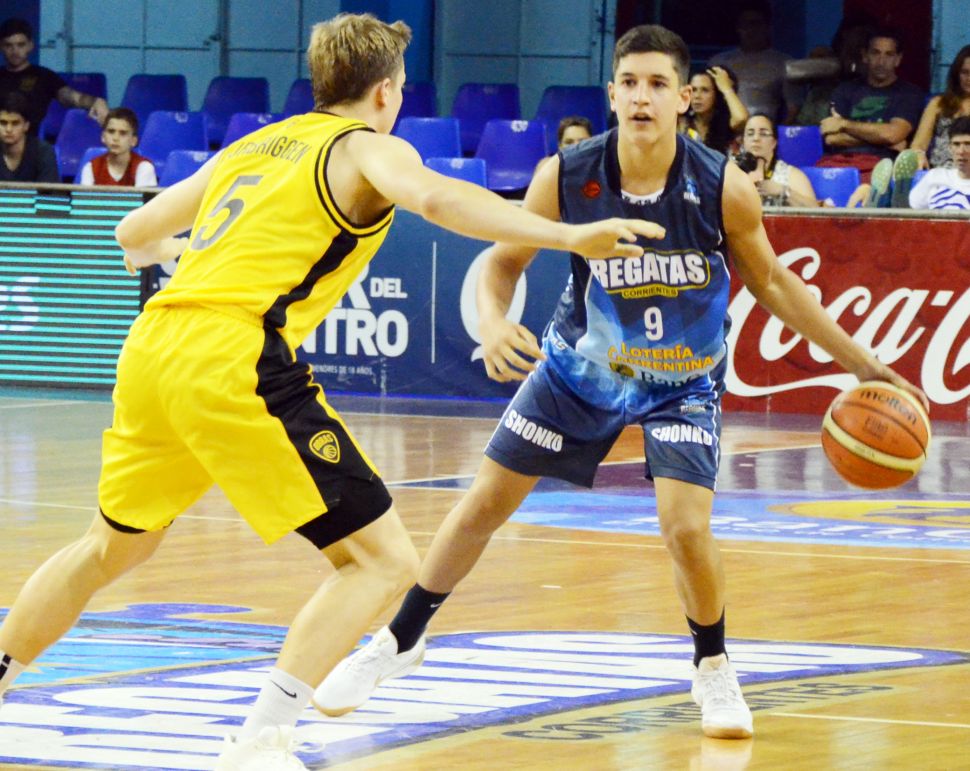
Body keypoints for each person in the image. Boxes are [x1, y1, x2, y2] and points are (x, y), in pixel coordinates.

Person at [0, 13, 658, 771]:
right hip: (233, 354)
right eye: (400, 87)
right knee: (382, 561)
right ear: (384, 92)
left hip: (153, 347)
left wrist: (163, 247)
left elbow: (132, 231)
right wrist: (569, 236)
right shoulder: (367, 147)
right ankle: (260, 740)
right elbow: (438, 200)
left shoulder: (254, 144)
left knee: (110, 544)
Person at [314, 23, 929, 742]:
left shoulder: (721, 185)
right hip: (581, 369)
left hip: (682, 379)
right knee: (482, 502)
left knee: (685, 527)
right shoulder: (568, 174)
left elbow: (773, 283)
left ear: (684, 99)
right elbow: (501, 264)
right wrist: (491, 322)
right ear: (611, 94)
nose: (642, 97)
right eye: (630, 83)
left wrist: (861, 362)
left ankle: (712, 664)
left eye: (658, 84)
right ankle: (399, 639)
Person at [818, 27, 925, 183]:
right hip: (840, 161)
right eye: (875, 53)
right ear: (865, 56)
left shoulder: (909, 93)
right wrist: (884, 141)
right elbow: (832, 138)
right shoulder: (845, 90)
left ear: (898, 59)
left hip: (883, 165)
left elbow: (893, 134)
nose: (881, 62)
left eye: (889, 55)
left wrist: (843, 124)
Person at [0, 17, 108, 134]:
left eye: (21, 45)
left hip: (32, 140)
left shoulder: (44, 76)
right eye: (8, 45)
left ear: (30, 45)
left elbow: (71, 97)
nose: (15, 51)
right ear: (1, 46)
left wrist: (95, 101)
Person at [708, 2, 798, 123]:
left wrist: (777, 133)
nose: (750, 30)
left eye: (755, 24)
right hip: (727, 128)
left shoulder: (783, 62)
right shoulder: (720, 61)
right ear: (738, 28)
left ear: (767, 27)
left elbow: (793, 108)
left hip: (765, 127)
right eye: (744, 25)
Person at [909, 44, 970, 170]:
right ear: (956, 74)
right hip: (941, 171)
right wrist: (918, 155)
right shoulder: (938, 103)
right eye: (965, 72)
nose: (969, 78)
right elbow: (919, 144)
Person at [740, 113, 818, 206]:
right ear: (743, 141)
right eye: (750, 134)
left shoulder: (789, 174)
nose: (756, 138)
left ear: (774, 142)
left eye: (763, 134)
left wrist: (783, 191)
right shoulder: (732, 171)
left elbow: (814, 209)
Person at [78, 107, 157, 187]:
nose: (116, 138)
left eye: (123, 133)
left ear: (134, 141)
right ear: (103, 137)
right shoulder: (91, 167)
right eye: (111, 131)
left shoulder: (144, 167)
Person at [683, 66, 748, 155]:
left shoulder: (725, 123)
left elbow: (741, 119)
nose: (697, 96)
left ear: (717, 94)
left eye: (705, 90)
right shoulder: (682, 123)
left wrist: (726, 88)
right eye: (693, 90)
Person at [909, 116, 970, 210]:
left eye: (968, 144)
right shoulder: (934, 177)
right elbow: (914, 210)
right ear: (950, 147)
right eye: (956, 144)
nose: (961, 151)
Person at [0, 90, 58, 182]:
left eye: (15, 123)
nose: (8, 129)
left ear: (26, 125)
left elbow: (48, 190)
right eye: (3, 123)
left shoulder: (43, 152)